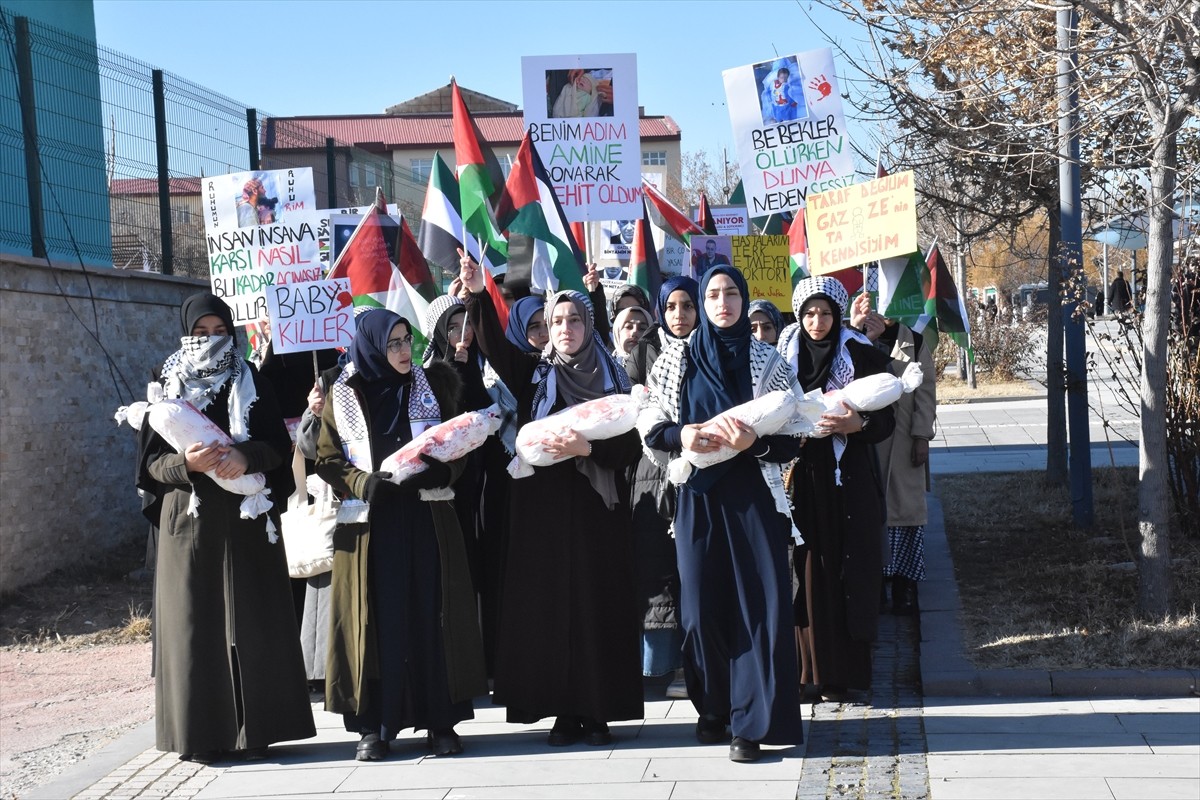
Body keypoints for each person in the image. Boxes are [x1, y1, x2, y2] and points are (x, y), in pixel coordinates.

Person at [461, 252, 644, 747]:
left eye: (573, 319)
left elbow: (630, 444)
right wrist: (479, 295)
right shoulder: (535, 374)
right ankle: (564, 710)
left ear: (589, 325)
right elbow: (497, 348)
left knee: (594, 603)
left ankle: (598, 707)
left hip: (595, 509)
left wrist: (588, 447)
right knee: (552, 608)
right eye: (555, 320)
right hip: (541, 512)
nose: (563, 328)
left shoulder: (613, 378)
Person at [135, 292, 315, 764]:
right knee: (197, 625)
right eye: (200, 333)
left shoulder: (252, 379)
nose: (210, 341)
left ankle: (260, 731)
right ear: (185, 333)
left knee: (253, 622)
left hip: (246, 521)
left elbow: (277, 447)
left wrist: (244, 456)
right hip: (189, 523)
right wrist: (187, 464)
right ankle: (200, 736)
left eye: (219, 332)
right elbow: (150, 464)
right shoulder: (165, 382)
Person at [639, 265, 805, 763]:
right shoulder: (676, 360)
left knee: (759, 606)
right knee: (699, 610)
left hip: (754, 498)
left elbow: (795, 432)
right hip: (699, 499)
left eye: (732, 292)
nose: (722, 302)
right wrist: (681, 436)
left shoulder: (767, 359)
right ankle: (712, 705)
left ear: (745, 298)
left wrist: (755, 445)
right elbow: (650, 420)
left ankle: (749, 724)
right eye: (712, 293)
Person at [315, 309, 487, 761]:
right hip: (372, 528)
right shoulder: (345, 392)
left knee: (432, 616)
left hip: (427, 518)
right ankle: (375, 726)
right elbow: (328, 458)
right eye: (392, 343)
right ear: (372, 346)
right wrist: (362, 483)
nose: (402, 351)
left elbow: (457, 445)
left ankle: (441, 721)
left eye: (406, 340)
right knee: (377, 621)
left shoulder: (432, 385)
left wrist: (443, 470)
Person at [778, 276, 895, 703]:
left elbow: (887, 420)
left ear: (838, 314)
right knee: (807, 572)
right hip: (800, 480)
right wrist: (795, 432)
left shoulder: (861, 354)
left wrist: (855, 425)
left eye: (825, 312)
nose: (817, 321)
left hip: (848, 479)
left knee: (848, 571)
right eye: (809, 312)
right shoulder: (781, 359)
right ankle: (806, 674)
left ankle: (842, 675)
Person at [422, 293, 515, 676]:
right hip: (450, 490)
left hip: (486, 483)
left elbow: (487, 416)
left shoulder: (487, 367)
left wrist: (470, 375)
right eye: (453, 326)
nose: (463, 333)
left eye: (468, 324)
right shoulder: (425, 374)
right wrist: (450, 375)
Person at [624, 276, 700, 701]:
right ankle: (658, 666)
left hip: (703, 473)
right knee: (659, 569)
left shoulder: (712, 348)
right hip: (654, 475)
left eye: (687, 305)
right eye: (671, 306)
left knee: (696, 571)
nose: (680, 314)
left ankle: (697, 663)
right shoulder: (643, 353)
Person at [869, 317, 936, 615]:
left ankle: (905, 583)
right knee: (870, 511)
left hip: (904, 440)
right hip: (868, 440)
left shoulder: (914, 341)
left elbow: (926, 393)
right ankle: (875, 581)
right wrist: (865, 337)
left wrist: (922, 435)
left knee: (907, 510)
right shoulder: (854, 336)